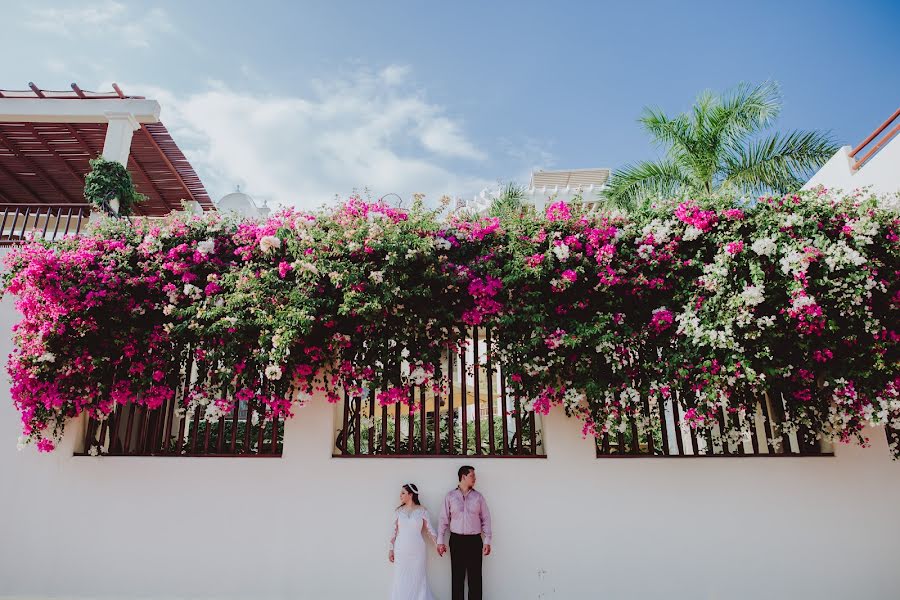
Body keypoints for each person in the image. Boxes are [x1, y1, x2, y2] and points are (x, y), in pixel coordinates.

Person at [436, 466, 492, 600]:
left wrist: (487, 540)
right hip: (456, 540)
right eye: (472, 475)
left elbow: (486, 518)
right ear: (463, 477)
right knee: (457, 578)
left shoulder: (478, 497)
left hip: (474, 541)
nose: (475, 478)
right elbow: (443, 519)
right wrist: (440, 541)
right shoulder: (450, 496)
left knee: (475, 579)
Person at [389, 483, 438, 600]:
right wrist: (391, 549)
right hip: (401, 551)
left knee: (419, 579)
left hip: (418, 551)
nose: (400, 495)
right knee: (400, 578)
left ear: (410, 494)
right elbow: (393, 532)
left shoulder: (422, 511)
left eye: (403, 493)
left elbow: (430, 530)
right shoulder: (399, 511)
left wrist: (438, 545)